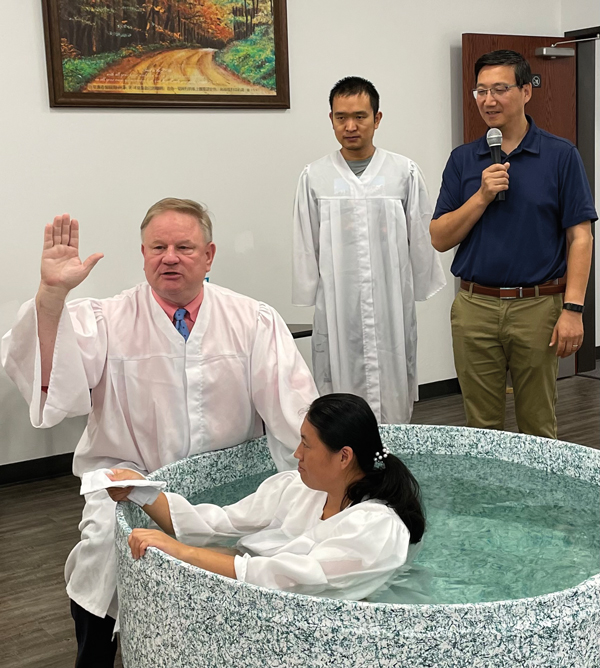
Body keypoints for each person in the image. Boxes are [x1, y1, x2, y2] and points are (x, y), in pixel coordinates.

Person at [1, 198, 318, 667]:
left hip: (226, 481)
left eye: (184, 247)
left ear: (209, 256)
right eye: (158, 246)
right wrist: (51, 296)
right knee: (101, 554)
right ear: (144, 253)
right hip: (130, 480)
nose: (170, 256)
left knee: (272, 547)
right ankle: (94, 655)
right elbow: (53, 384)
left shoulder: (251, 320)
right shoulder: (106, 319)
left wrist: (323, 482)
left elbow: (294, 409)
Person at [107, 393, 425, 600]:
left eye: (307, 445)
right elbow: (220, 522)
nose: (296, 453)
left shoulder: (376, 529)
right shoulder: (298, 488)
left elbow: (290, 579)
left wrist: (183, 553)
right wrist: (140, 490)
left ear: (344, 457)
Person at [430, 50, 596, 438]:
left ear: (526, 91)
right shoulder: (463, 159)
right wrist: (481, 196)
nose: (489, 100)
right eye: (480, 91)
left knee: (538, 425)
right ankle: (487, 500)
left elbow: (581, 236)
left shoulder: (561, 156)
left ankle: (542, 501)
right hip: (475, 307)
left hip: (538, 307)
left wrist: (573, 308)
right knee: (481, 429)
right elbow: (439, 237)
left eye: (500, 89)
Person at [293, 76, 446, 425]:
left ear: (377, 119)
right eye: (341, 117)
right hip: (337, 302)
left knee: (392, 383)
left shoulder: (402, 173)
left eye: (360, 116)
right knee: (339, 383)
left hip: (390, 300)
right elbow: (305, 241)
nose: (350, 126)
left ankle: (392, 461)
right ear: (330, 118)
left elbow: (420, 236)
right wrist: (309, 290)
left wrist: (420, 283)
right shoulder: (315, 177)